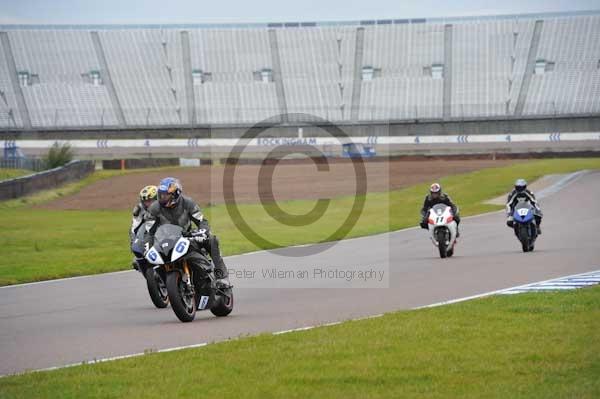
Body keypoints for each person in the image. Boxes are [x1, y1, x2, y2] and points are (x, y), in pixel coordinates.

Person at [145, 177, 230, 287]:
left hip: (188, 237)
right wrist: (148, 246)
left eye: (166, 195)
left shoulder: (188, 203)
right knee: (149, 260)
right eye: (161, 195)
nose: (162, 198)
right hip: (166, 241)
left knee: (212, 240)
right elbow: (149, 232)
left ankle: (222, 276)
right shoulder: (154, 208)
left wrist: (202, 232)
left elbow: (201, 221)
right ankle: (164, 282)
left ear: (175, 194)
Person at [130, 185, 158, 271]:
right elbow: (134, 228)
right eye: (145, 201)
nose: (148, 204)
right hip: (148, 232)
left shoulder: (164, 205)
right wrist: (134, 243)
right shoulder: (139, 209)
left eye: (150, 201)